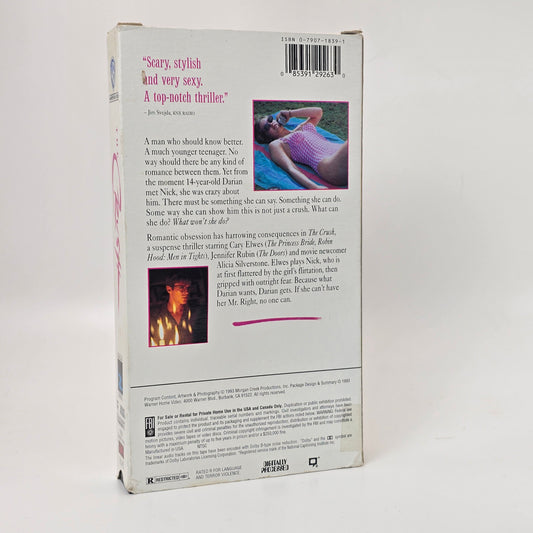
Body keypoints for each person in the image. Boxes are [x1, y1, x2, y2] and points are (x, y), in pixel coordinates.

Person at [254, 107, 348, 189]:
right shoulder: (277, 144)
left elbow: (318, 112)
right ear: (265, 137)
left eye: (270, 119)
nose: (271, 124)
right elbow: (291, 168)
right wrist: (314, 187)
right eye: (267, 127)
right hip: (330, 165)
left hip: (339, 153)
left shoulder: (300, 128)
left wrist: (290, 113)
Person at [150, 274, 200, 346]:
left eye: (188, 288)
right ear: (169, 289)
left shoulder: (194, 314)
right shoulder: (154, 316)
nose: (186, 292)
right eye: (181, 288)